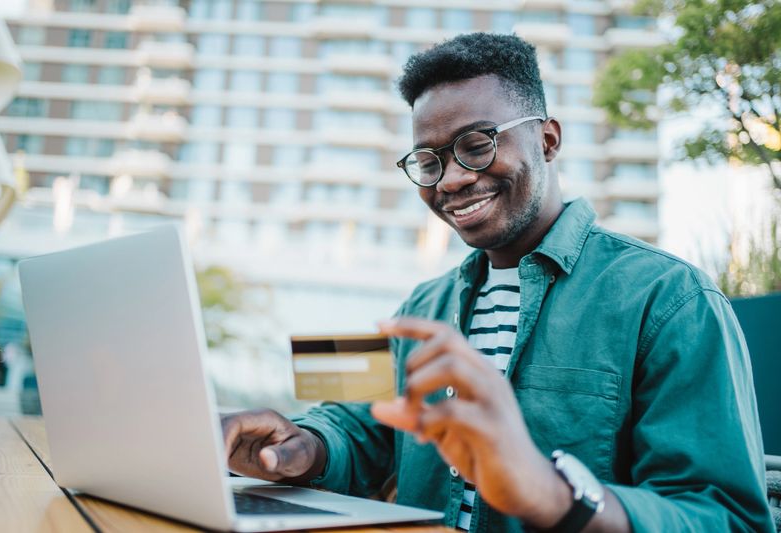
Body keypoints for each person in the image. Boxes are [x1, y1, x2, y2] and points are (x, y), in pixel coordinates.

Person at [222, 33, 774, 532]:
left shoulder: (669, 299)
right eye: (428, 160)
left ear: (549, 140)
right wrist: (304, 446)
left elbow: (727, 517)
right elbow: (365, 430)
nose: (453, 179)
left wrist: (556, 495)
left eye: (477, 144)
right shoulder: (425, 302)